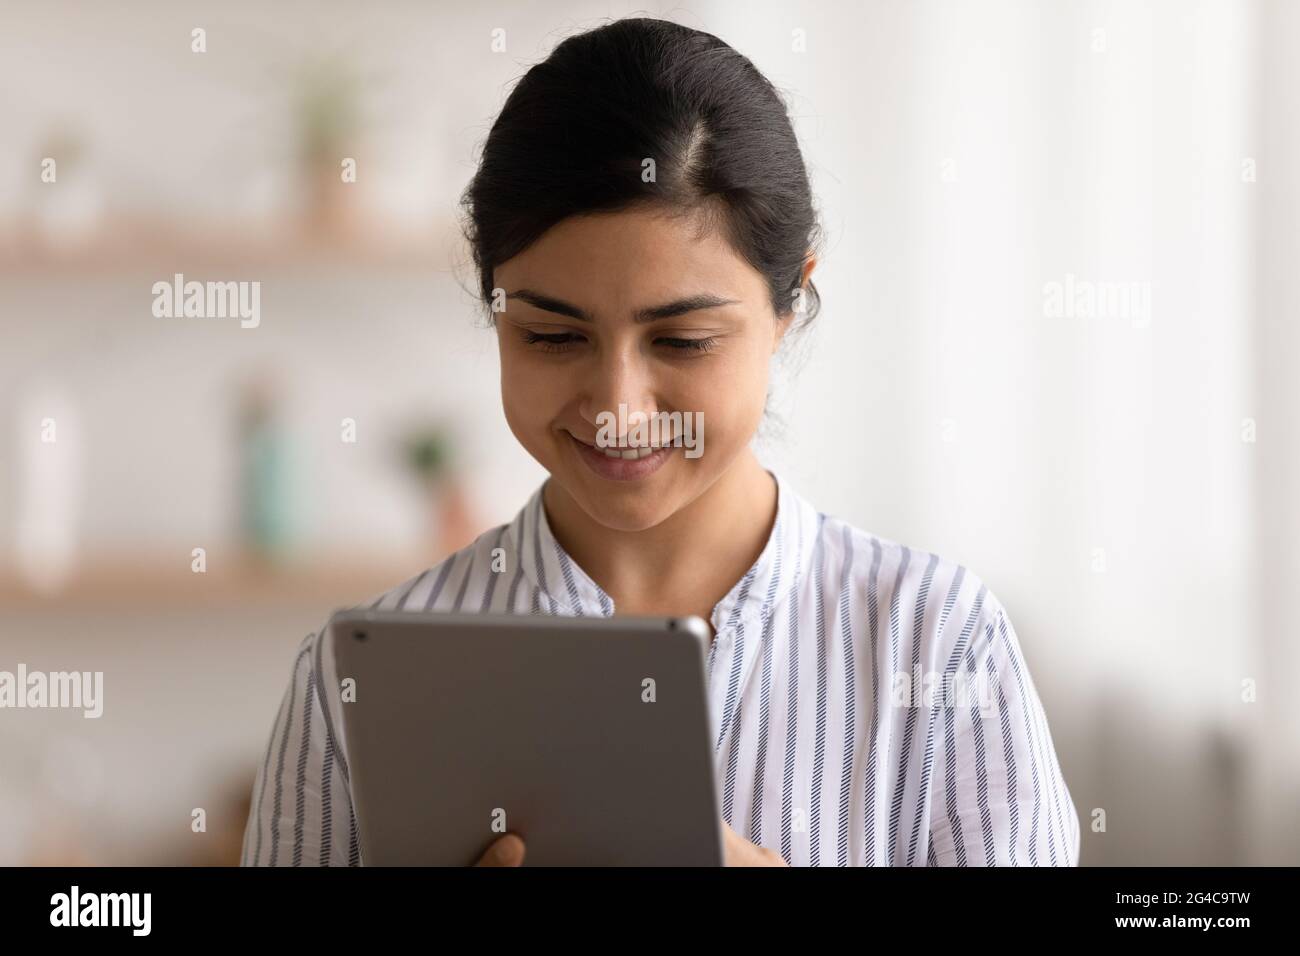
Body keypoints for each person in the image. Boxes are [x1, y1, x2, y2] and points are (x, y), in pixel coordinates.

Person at [241, 16, 1079, 867]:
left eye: (682, 342)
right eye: (552, 337)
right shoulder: (349, 690)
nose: (619, 410)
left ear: (789, 306)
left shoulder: (939, 642)